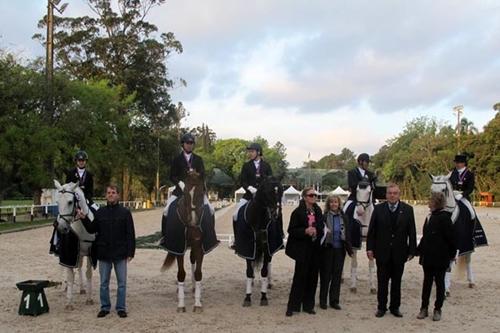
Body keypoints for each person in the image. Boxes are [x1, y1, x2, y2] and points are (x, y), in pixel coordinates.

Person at [366, 183, 416, 318]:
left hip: (400, 252)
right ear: (386, 195)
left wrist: (412, 250)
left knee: (396, 282)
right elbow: (372, 231)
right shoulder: (378, 209)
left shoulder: (408, 209)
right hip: (382, 252)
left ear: (399, 194)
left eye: (395, 193)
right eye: (390, 193)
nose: (392, 195)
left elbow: (412, 231)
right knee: (382, 282)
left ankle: (395, 307)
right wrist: (369, 248)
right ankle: (381, 307)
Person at [85, 185, 136, 318]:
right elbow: (91, 229)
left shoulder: (125, 212)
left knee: (122, 283)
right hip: (104, 252)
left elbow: (130, 233)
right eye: (108, 193)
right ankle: (105, 307)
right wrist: (83, 218)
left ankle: (120, 308)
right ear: (106, 195)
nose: (111, 195)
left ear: (118, 195)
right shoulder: (100, 213)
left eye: (113, 192)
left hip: (120, 253)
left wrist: (131, 252)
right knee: (103, 284)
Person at [416, 192, 456, 322]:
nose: (428, 202)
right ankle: (424, 308)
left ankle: (437, 309)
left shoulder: (445, 218)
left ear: (436, 203)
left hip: (440, 257)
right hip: (428, 257)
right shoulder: (429, 217)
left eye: (430, 201)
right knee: (426, 283)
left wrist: (451, 256)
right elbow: (425, 236)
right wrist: (417, 251)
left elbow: (451, 239)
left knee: (440, 284)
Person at [285, 187, 324, 317]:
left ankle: (308, 305)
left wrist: (317, 230)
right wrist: (304, 231)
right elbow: (291, 230)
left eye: (315, 195)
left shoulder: (318, 210)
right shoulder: (297, 212)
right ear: (305, 197)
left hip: (315, 249)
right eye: (311, 195)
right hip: (302, 249)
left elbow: (322, 226)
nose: (314, 197)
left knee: (313, 278)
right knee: (299, 278)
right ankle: (293, 306)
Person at [319, 195, 353, 310]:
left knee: (337, 276)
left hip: (340, 249)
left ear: (339, 204)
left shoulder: (344, 217)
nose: (334, 204)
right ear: (328, 204)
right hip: (327, 249)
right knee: (325, 276)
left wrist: (350, 250)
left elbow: (347, 234)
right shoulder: (323, 217)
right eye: (332, 202)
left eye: (336, 202)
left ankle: (334, 301)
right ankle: (323, 301)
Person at [164, 133, 208, 215]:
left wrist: (197, 174)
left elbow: (203, 174)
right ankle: (165, 228)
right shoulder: (177, 159)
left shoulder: (198, 159)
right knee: (166, 211)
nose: (189, 145)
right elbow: (172, 176)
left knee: (210, 210)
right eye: (187, 143)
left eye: (191, 143)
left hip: (196, 192)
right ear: (183, 144)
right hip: (180, 191)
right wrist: (180, 183)